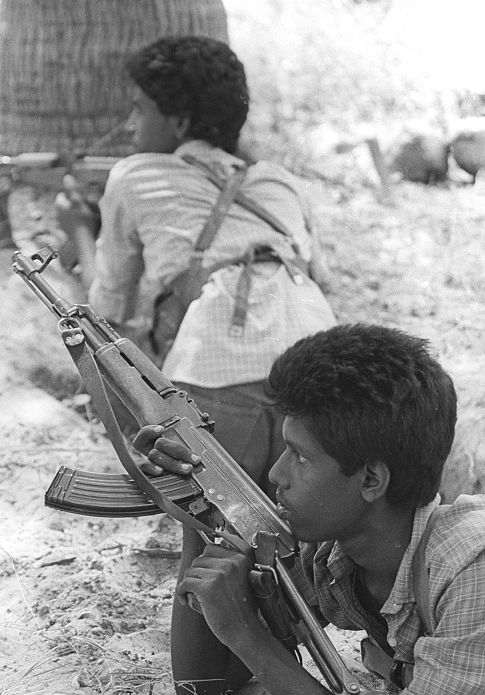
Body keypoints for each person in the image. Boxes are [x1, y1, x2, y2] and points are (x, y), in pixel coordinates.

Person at [133, 323, 485, 695]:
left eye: (299, 456)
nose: (277, 474)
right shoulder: (334, 555)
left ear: (371, 481)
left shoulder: (469, 570)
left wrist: (250, 635)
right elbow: (202, 690)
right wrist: (199, 510)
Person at [55, 34, 336, 492]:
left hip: (217, 370)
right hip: (319, 368)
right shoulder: (278, 181)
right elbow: (320, 277)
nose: (130, 124)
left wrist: (80, 232)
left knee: (213, 527)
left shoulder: (133, 174)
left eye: (140, 109)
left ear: (180, 121)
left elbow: (107, 312)